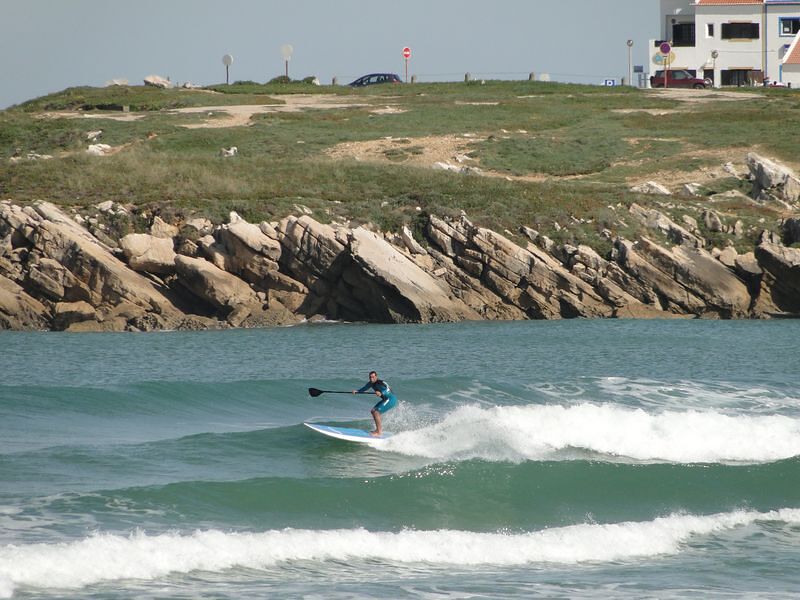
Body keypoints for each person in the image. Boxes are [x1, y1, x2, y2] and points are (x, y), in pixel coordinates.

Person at [353, 371, 397, 436]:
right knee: (373, 411)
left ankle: (379, 432)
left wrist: (381, 393)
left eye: (373, 377)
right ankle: (378, 430)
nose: (371, 379)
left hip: (391, 399)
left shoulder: (381, 382)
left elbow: (388, 389)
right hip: (385, 399)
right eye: (370, 377)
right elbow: (364, 388)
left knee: (376, 412)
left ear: (376, 377)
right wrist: (357, 391)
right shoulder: (370, 383)